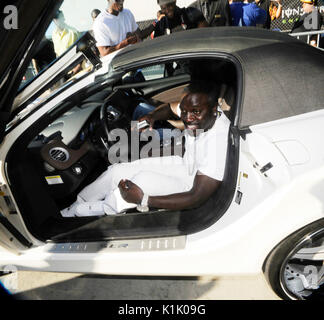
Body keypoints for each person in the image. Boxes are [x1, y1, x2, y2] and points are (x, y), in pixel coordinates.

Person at [61, 81, 230, 217]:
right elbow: (170, 108)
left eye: (195, 112)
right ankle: (78, 203)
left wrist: (144, 199)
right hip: (184, 164)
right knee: (117, 170)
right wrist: (152, 116)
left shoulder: (218, 142)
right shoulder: (195, 107)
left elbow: (196, 197)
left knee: (139, 182)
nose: (187, 118)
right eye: (184, 112)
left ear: (215, 109)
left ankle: (83, 213)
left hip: (190, 184)